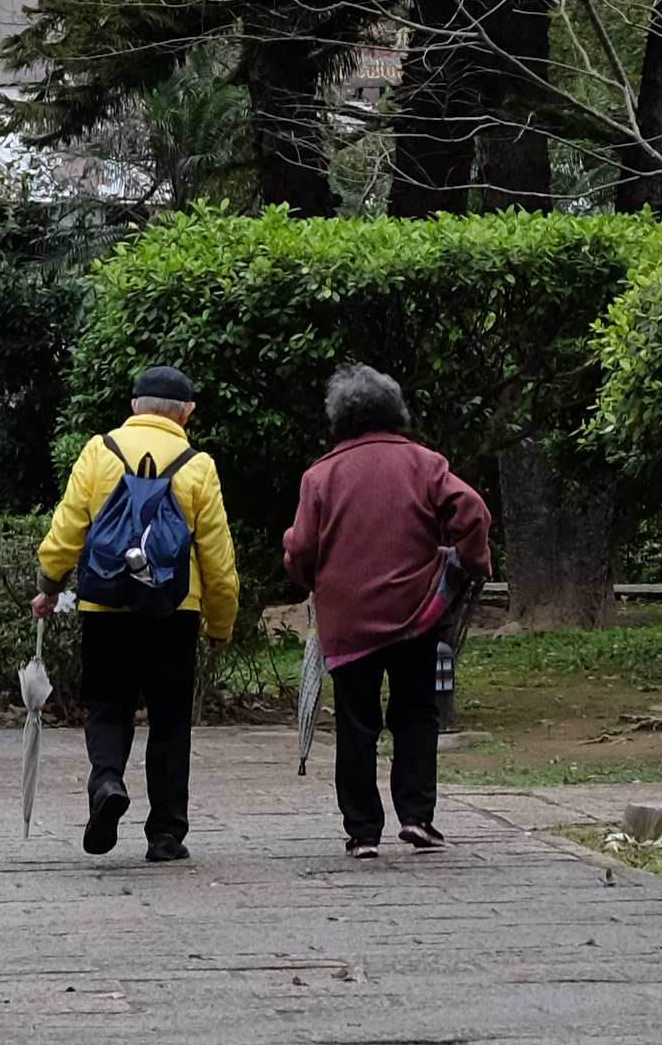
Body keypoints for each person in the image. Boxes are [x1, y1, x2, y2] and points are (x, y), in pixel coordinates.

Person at [282, 362, 493, 858]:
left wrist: (303, 571)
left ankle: (361, 834)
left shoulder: (320, 476)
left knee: (356, 723)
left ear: (339, 417)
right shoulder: (426, 464)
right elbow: (473, 512)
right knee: (416, 714)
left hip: (349, 622)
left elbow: (302, 549)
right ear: (395, 410)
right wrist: (469, 562)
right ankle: (417, 817)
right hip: (415, 616)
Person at [38, 364, 240, 858]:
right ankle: (166, 834)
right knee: (170, 719)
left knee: (108, 706)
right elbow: (217, 555)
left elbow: (68, 526)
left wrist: (49, 581)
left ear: (134, 407)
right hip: (173, 608)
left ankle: (107, 782)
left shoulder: (98, 450)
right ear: (186, 412)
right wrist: (221, 622)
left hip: (105, 604)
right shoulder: (198, 464)